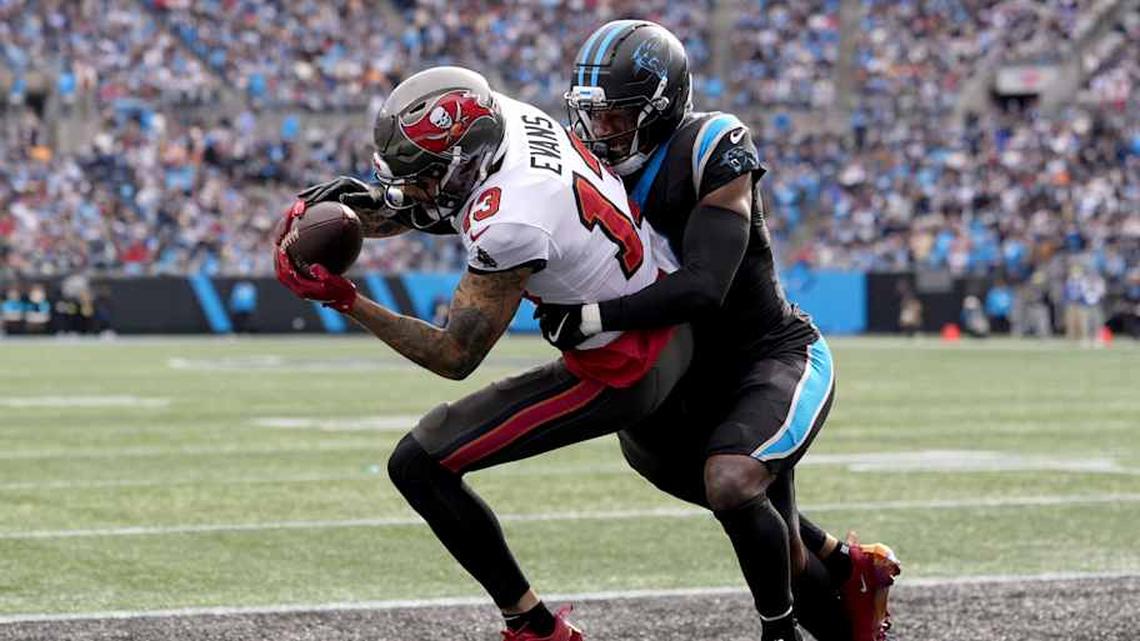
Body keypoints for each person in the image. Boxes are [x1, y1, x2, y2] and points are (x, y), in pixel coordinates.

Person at [278, 66, 694, 641]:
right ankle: (828, 558)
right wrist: (359, 204)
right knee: (708, 484)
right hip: (661, 316)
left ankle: (534, 629)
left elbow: (454, 355)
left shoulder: (510, 219)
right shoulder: (506, 119)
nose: (413, 187)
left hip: (624, 365)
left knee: (419, 464)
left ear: (462, 162)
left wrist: (345, 300)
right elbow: (436, 199)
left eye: (423, 175)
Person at [534, 21, 898, 641]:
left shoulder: (711, 145)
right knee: (779, 545)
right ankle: (846, 568)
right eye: (591, 114)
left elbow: (706, 286)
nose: (600, 130)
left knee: (733, 482)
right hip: (682, 385)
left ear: (660, 106)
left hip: (768, 358)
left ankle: (783, 627)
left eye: (617, 115)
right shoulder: (581, 164)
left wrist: (594, 316)